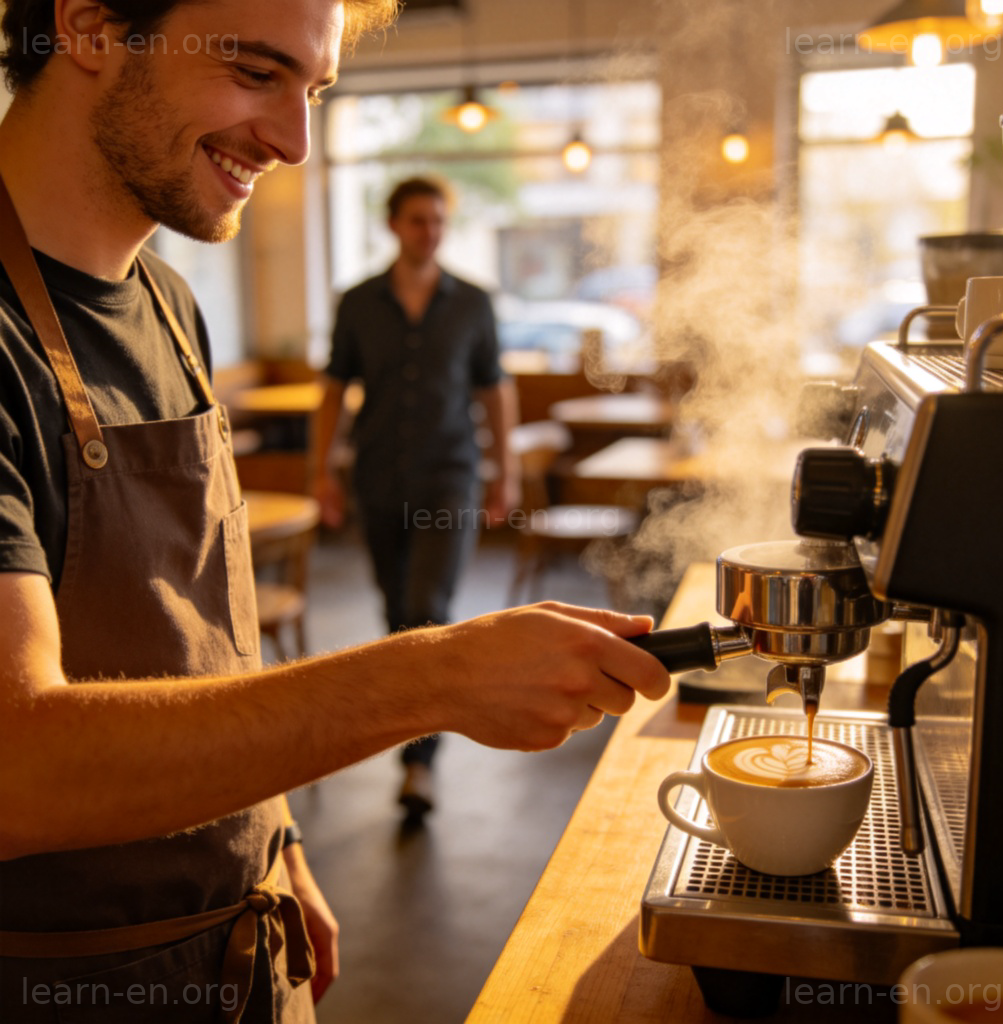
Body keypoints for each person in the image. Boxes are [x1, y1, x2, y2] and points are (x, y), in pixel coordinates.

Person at [0, 1, 669, 1021]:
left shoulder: (171, 305)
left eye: (311, 92)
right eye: (254, 72)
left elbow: (207, 632)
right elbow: (18, 768)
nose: (293, 143)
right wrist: (431, 673)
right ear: (89, 28)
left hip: (239, 945)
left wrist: (276, 839)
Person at [316, 176, 519, 821]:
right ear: (393, 225)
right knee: (396, 612)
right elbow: (332, 391)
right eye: (416, 221)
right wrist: (320, 474)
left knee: (429, 609)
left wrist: (503, 473)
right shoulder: (357, 303)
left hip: (448, 480)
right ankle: (412, 728)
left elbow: (494, 391)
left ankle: (417, 766)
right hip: (378, 479)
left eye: (437, 221)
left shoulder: (473, 303)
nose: (428, 232)